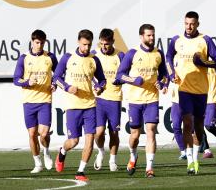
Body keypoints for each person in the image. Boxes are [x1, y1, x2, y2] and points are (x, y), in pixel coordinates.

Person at [166, 11, 216, 175]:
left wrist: (203, 62)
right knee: (186, 124)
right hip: (184, 90)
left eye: (192, 24)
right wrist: (171, 72)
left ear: (197, 24)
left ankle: (196, 159)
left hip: (202, 92)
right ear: (184, 23)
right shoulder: (176, 40)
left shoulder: (205, 40)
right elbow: (168, 57)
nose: (189, 27)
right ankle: (190, 161)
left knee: (199, 127)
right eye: (187, 23)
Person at [116, 24, 169, 178]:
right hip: (134, 100)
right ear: (141, 37)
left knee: (151, 131)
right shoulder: (132, 53)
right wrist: (133, 80)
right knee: (134, 136)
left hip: (152, 99)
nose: (152, 38)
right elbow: (119, 75)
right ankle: (133, 156)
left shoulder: (159, 53)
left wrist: (163, 83)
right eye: (148, 35)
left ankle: (149, 168)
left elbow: (164, 74)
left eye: (153, 35)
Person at [53, 29, 106, 182]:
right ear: (78, 42)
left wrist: (99, 87)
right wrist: (67, 87)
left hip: (90, 106)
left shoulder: (94, 59)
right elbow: (56, 77)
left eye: (89, 45)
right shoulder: (68, 57)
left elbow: (102, 80)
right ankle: (63, 151)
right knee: (74, 141)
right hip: (72, 106)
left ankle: (81, 171)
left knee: (90, 139)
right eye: (84, 45)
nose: (86, 48)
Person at [13, 29, 58, 174]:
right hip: (29, 101)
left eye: (42, 43)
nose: (39, 45)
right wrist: (27, 82)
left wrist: (55, 84)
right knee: (32, 134)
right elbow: (16, 79)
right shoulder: (24, 58)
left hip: (45, 100)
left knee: (43, 134)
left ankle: (46, 151)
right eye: (37, 42)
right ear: (32, 42)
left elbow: (58, 74)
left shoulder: (50, 57)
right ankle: (37, 162)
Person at [93, 29, 125, 171]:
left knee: (114, 132)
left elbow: (126, 74)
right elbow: (88, 74)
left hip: (114, 99)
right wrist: (96, 86)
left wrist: (120, 81)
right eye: (102, 43)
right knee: (98, 132)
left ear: (112, 42)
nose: (104, 46)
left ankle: (113, 160)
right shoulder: (94, 55)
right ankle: (100, 152)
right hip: (99, 99)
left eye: (107, 44)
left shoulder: (120, 55)